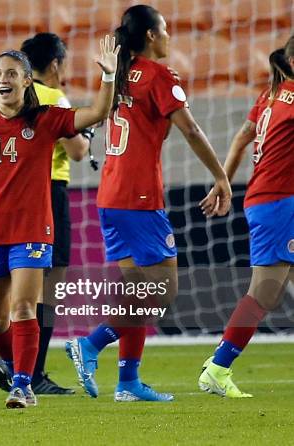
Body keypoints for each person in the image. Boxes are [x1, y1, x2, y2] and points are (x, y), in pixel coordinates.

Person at [0, 35, 119, 409]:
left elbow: (96, 114)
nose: (3, 79)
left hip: (32, 229)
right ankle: (15, 363)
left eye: (11, 73)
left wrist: (108, 78)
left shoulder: (46, 119)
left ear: (26, 80)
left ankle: (23, 385)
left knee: (25, 309)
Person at [65, 4, 232, 402]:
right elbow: (189, 129)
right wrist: (221, 176)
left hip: (110, 195)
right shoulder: (158, 76)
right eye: (166, 29)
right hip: (138, 197)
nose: (171, 36)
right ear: (153, 36)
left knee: (137, 291)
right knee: (163, 291)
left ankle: (127, 383)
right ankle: (91, 344)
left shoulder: (121, 74)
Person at [0, 32, 94, 395]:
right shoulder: (52, 97)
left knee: (7, 301)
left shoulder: (15, 100)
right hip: (47, 193)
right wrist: (89, 136)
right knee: (47, 289)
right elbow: (78, 151)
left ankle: (15, 362)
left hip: (8, 194)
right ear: (53, 65)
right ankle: (33, 372)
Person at [198, 37, 294, 398]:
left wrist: (223, 181)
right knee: (264, 293)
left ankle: (219, 366)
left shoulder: (270, 95)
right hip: (278, 202)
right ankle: (218, 367)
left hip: (269, 199)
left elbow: (241, 139)